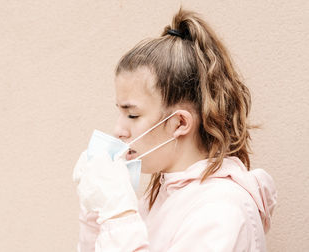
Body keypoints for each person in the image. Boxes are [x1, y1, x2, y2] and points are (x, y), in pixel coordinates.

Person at [73, 7, 277, 252]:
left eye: (132, 114)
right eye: (120, 112)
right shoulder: (158, 198)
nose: (119, 130)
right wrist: (95, 213)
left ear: (179, 123)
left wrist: (118, 216)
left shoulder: (223, 210)